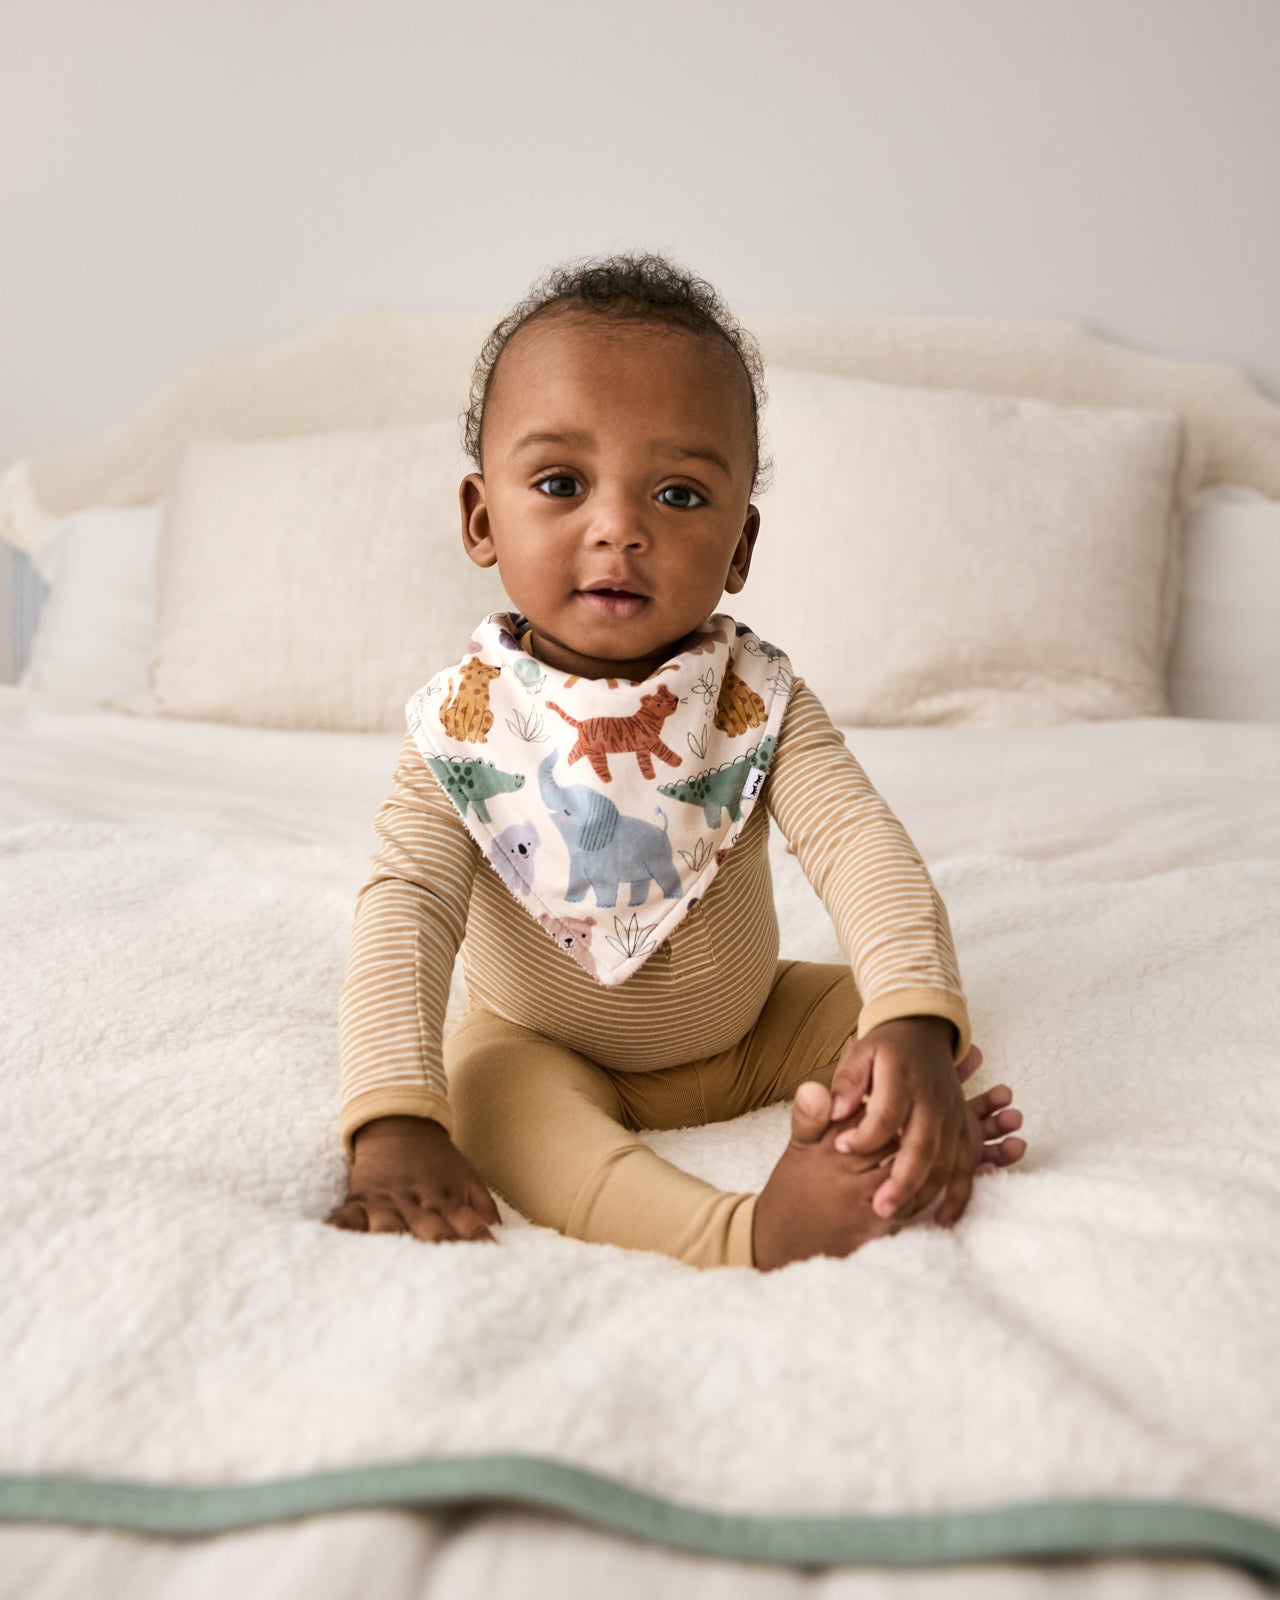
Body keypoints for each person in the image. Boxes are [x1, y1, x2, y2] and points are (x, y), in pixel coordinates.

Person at [325, 252, 1026, 1270]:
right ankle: (741, 1231)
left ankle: (886, 1135)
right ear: (482, 518)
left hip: (753, 1028)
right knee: (487, 1101)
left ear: (739, 545)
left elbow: (858, 845)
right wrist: (389, 1120)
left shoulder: (754, 699)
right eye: (560, 482)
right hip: (544, 1044)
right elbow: (403, 914)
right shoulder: (462, 727)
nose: (619, 527)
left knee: (894, 1022)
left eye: (679, 494)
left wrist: (911, 1020)